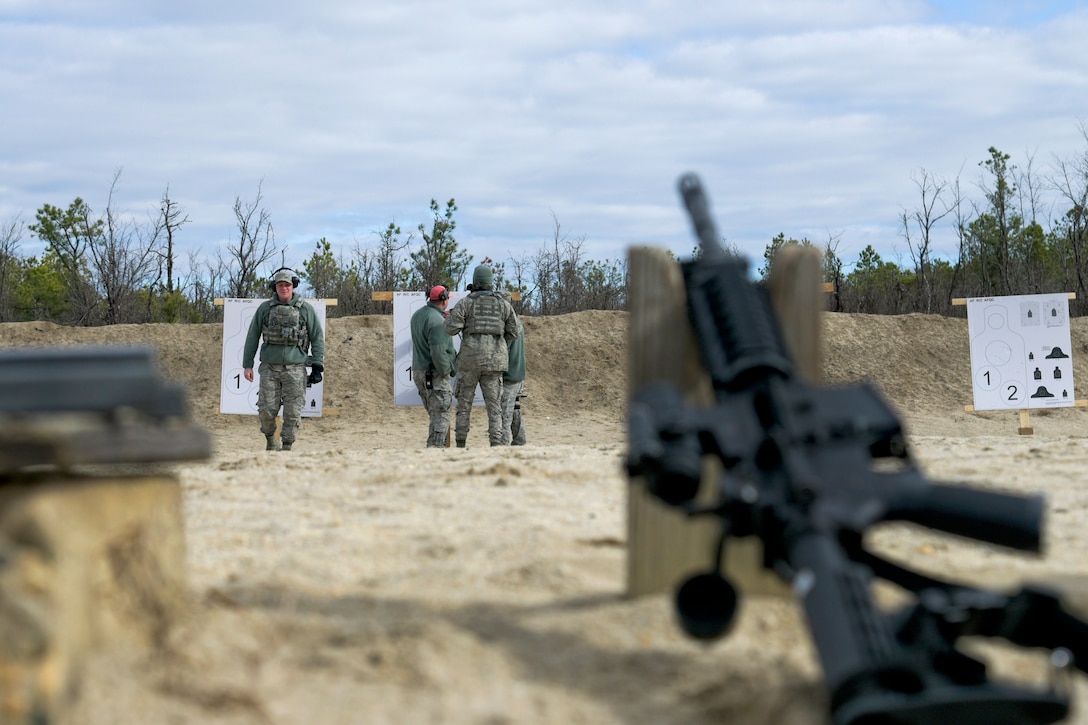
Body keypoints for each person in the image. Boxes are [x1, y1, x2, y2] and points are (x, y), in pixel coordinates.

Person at [242, 268, 325, 451]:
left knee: (293, 411)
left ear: (293, 286)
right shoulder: (265, 309)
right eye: (280, 285)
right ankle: (271, 439)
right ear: (275, 287)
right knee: (266, 409)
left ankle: (287, 444)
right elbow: (252, 336)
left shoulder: (305, 309)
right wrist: (247, 364)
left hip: (295, 367)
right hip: (270, 367)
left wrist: (318, 365)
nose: (284, 288)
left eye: (287, 285)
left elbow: (317, 337)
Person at [445, 264, 520, 447]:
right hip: (495, 362)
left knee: (464, 407)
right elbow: (514, 332)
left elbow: (450, 329)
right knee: (495, 408)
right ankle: (496, 444)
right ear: (491, 282)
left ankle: (461, 444)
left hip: (469, 361)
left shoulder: (466, 303)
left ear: (475, 282)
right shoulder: (504, 304)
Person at [410, 285, 457, 448]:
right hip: (435, 374)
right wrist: (448, 370)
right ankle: (435, 450)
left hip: (420, 372)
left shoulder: (418, 315)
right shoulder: (437, 321)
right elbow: (438, 353)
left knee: (435, 414)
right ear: (443, 300)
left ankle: (438, 449)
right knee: (441, 416)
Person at [498, 292, 527, 446]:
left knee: (504, 414)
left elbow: (502, 352)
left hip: (509, 375)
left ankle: (502, 445)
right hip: (518, 374)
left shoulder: (507, 324)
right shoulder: (516, 320)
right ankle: (520, 440)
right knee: (514, 409)